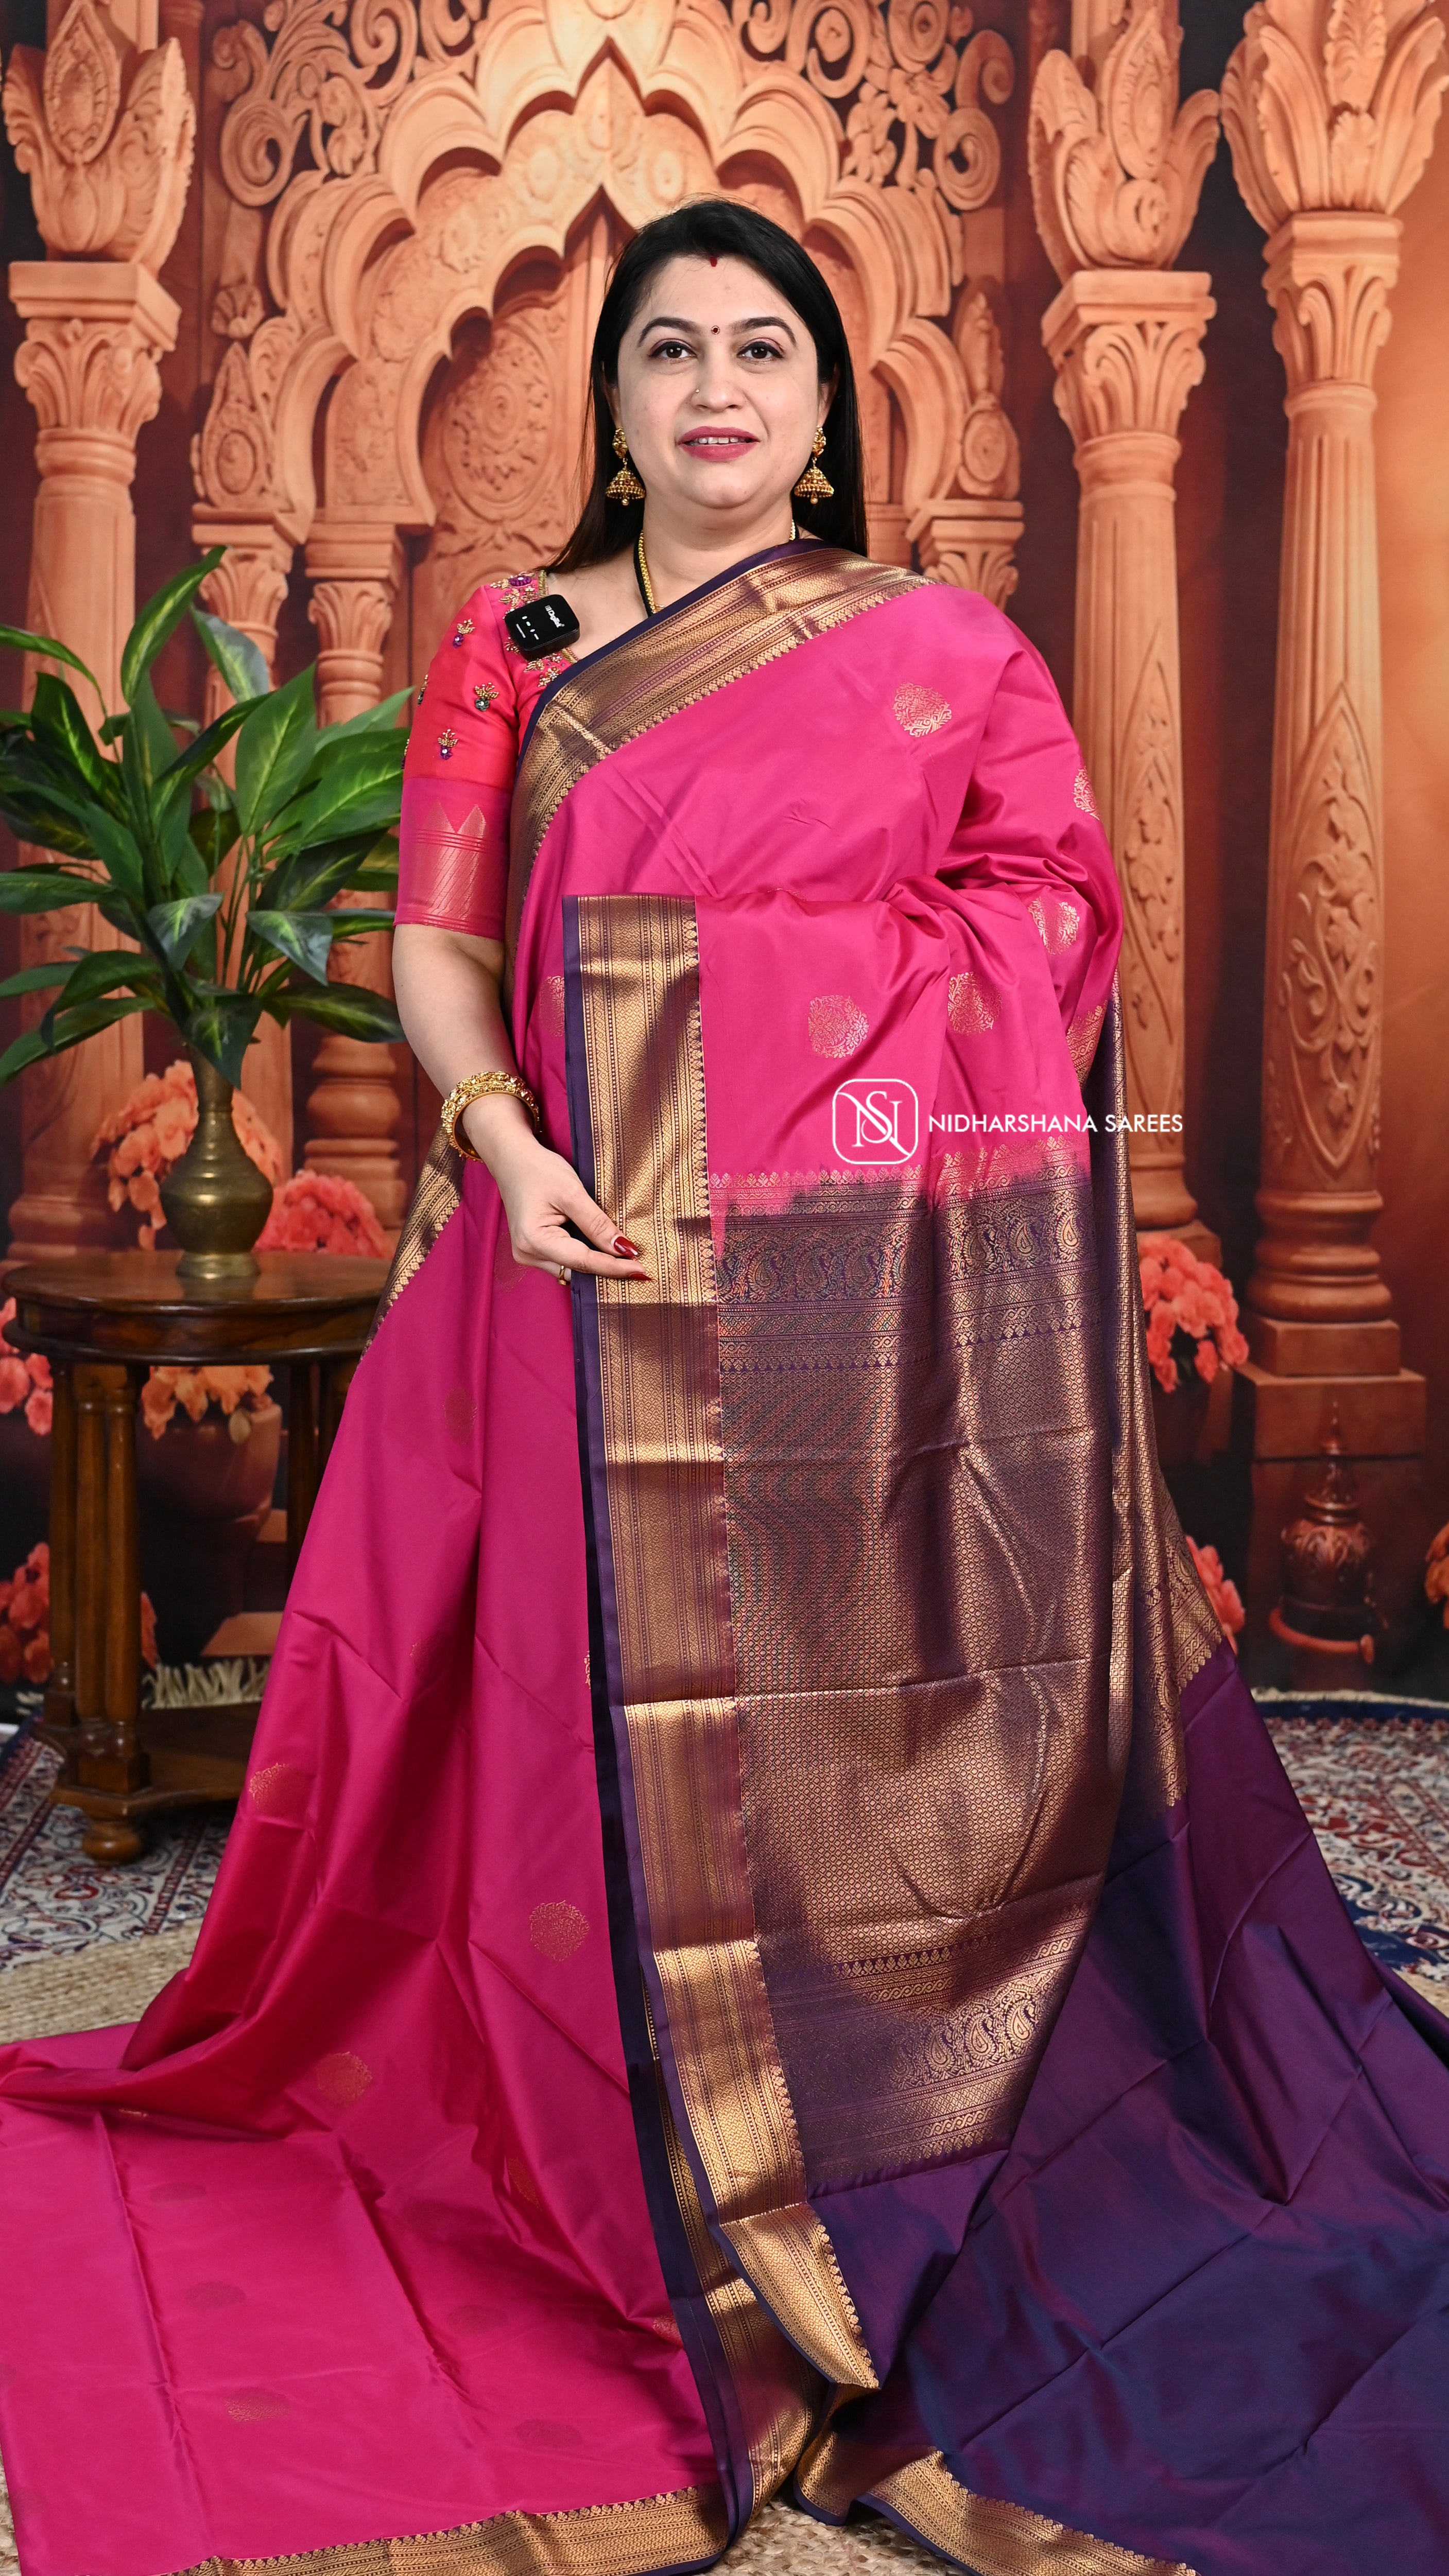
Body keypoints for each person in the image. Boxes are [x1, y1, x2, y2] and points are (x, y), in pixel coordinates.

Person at [1, 198, 1447, 2576]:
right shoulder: (516, 644)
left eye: (758, 350)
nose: (711, 391)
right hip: (564, 1251)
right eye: (666, 351)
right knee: (563, 1736)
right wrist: (500, 1137)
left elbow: (1048, 923)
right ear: (615, 397)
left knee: (851, 1709)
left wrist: (731, 1016)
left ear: (823, 398)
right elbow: (437, 948)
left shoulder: (937, 649)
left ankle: (888, 2103)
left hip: (864, 1292)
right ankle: (625, 2137)